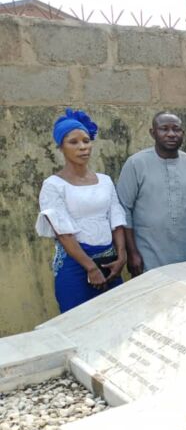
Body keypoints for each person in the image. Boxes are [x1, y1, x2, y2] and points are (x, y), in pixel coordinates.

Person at [36, 109, 127, 313]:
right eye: (73, 142)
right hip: (75, 265)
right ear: (61, 147)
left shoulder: (105, 181)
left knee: (115, 319)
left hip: (109, 262)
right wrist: (91, 268)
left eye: (86, 141)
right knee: (77, 321)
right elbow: (64, 233)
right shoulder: (53, 185)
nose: (82, 147)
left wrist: (121, 257)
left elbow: (116, 219)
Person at [116, 112, 186, 276]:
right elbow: (124, 210)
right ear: (153, 133)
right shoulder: (136, 164)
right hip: (148, 257)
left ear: (183, 134)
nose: (171, 134)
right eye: (164, 129)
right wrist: (132, 253)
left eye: (176, 129)